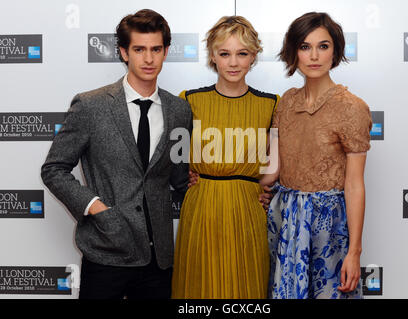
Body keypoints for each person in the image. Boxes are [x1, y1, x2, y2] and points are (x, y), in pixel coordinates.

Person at [41, 9, 192, 299]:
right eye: (139, 49)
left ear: (166, 51)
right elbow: (54, 169)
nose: (148, 59)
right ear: (124, 52)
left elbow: (179, 175)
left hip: (158, 260)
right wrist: (96, 207)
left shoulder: (179, 110)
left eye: (155, 49)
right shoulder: (90, 106)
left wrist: (239, 190)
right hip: (106, 252)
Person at [260, 12, 372, 299]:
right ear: (293, 52)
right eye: (305, 46)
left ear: (335, 51)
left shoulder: (352, 107)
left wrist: (355, 252)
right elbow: (272, 172)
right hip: (285, 220)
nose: (314, 56)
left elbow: (355, 185)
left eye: (323, 46)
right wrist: (217, 176)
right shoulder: (286, 102)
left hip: (329, 225)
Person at [171, 16, 280, 299]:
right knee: (199, 288)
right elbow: (175, 160)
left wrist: (261, 187)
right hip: (201, 204)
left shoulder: (271, 104)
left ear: (254, 56)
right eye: (225, 53)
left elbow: (274, 164)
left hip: (247, 208)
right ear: (212, 56)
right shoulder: (189, 99)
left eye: (242, 53)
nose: (233, 62)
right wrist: (187, 177)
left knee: (246, 287)